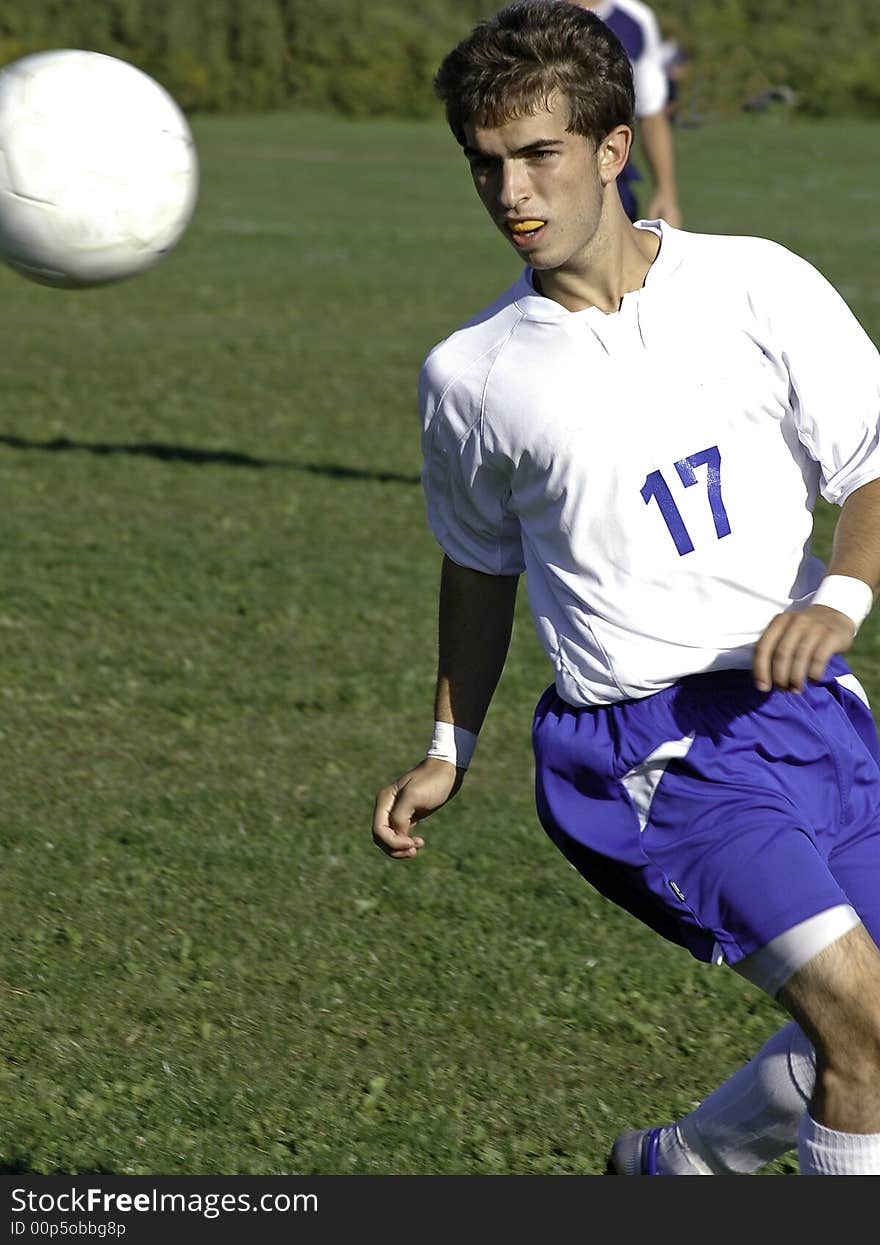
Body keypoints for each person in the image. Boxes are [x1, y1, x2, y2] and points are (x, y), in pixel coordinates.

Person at [371, 0, 880, 1176]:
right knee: (859, 1015)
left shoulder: (755, 285)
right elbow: (479, 564)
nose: (512, 195)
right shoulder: (473, 376)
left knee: (866, 1022)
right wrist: (450, 742)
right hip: (647, 753)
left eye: (538, 155)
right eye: (487, 165)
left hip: (804, 708)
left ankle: (678, 1169)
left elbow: (869, 469)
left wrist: (837, 602)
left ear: (611, 150)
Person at [568, 1, 681, 225]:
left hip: (612, 182)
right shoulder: (532, 14)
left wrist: (665, 192)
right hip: (549, 178)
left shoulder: (634, 20)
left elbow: (651, 116)